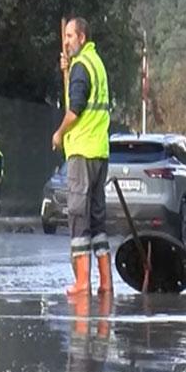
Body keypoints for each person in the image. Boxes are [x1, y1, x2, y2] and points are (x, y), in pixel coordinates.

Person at [52, 17, 112, 296]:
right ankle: (106, 281)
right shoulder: (95, 63)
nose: (66, 41)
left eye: (70, 36)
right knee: (97, 218)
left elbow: (75, 109)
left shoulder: (81, 67)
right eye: (65, 36)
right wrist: (69, 68)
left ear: (82, 38)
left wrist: (59, 133)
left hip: (82, 151)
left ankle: (82, 282)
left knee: (78, 215)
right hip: (100, 152)